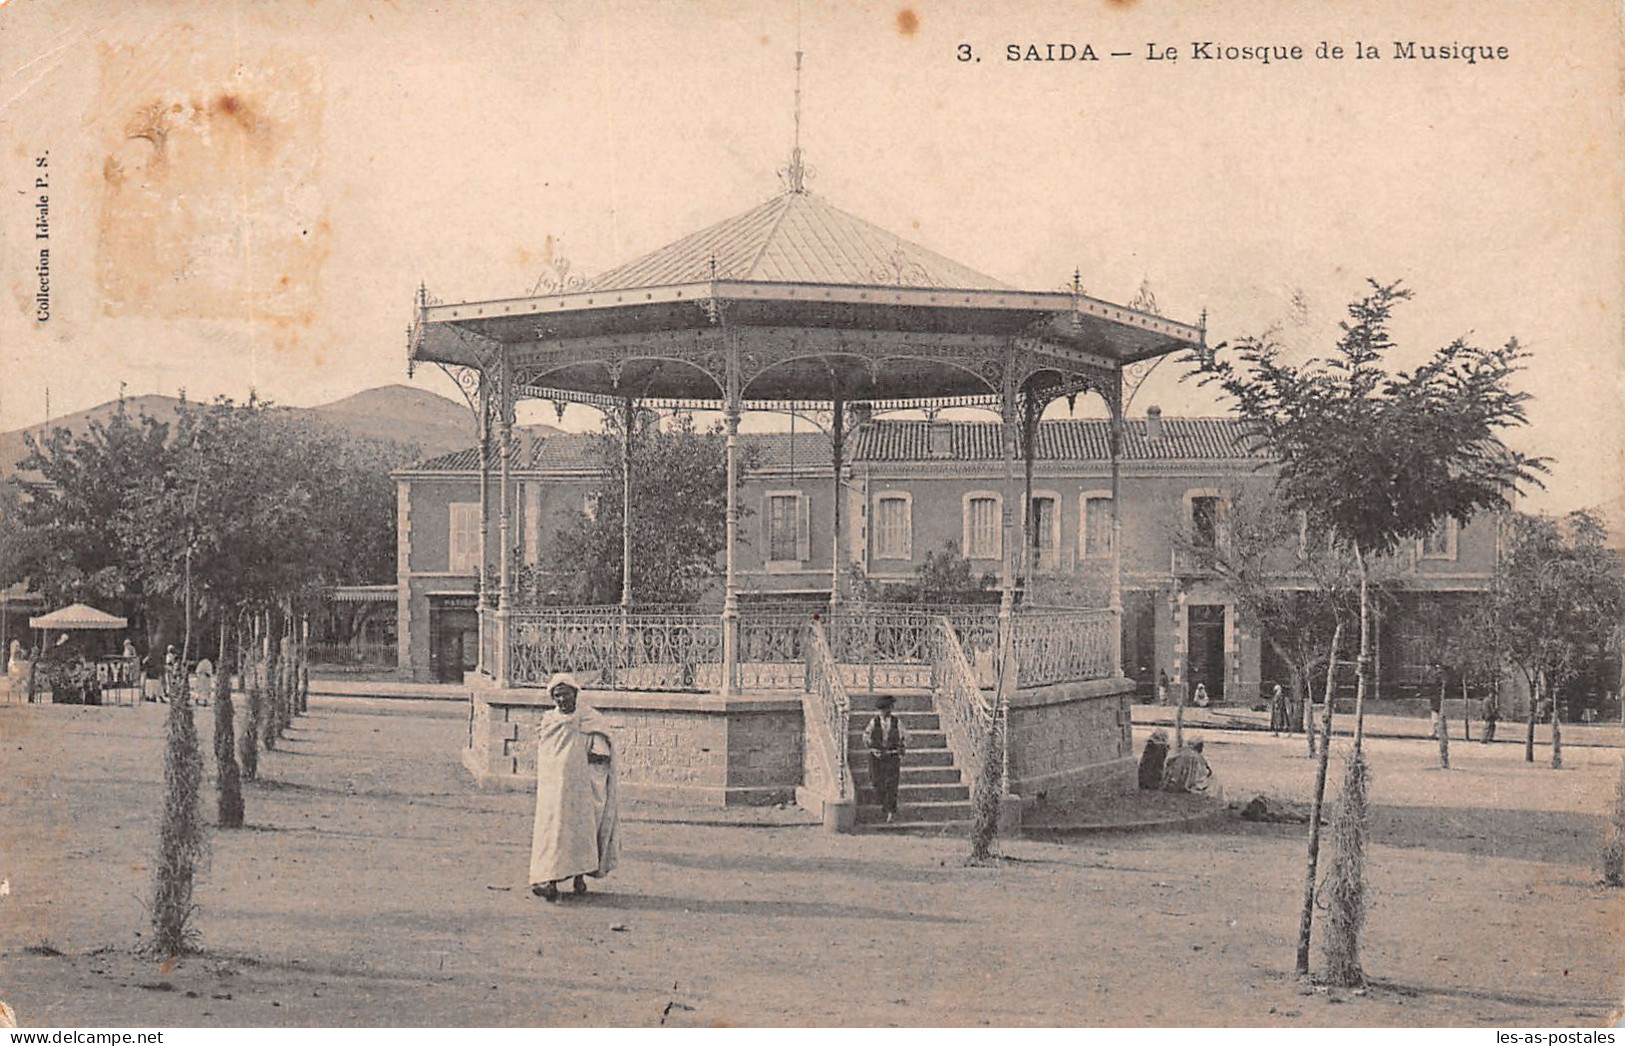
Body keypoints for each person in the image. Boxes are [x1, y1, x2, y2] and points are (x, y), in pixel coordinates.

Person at [529, 673, 620, 902]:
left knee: (580, 831)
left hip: (580, 789)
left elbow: (601, 753)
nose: (561, 700)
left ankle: (579, 876)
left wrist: (591, 774)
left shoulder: (589, 719)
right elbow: (546, 751)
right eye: (557, 696)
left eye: (565, 694)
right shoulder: (549, 721)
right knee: (553, 832)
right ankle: (549, 880)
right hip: (553, 790)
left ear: (575, 694)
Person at [863, 693, 908, 822]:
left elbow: (906, 737)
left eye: (886, 709)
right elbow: (865, 737)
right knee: (876, 781)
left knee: (891, 784)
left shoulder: (896, 722)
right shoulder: (874, 721)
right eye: (881, 709)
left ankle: (890, 812)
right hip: (876, 756)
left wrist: (901, 746)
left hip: (891, 756)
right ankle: (885, 805)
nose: (884, 712)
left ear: (890, 708)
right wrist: (872, 748)